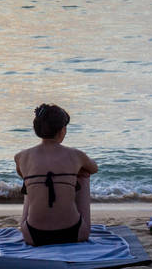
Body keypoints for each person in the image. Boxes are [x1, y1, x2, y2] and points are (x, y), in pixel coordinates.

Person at [14, 104, 98, 246]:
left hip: (32, 236)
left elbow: (22, 175)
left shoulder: (21, 156)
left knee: (29, 181)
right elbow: (94, 168)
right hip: (75, 233)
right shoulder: (76, 155)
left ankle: (28, 222)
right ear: (62, 130)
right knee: (84, 174)